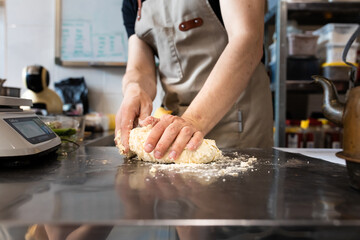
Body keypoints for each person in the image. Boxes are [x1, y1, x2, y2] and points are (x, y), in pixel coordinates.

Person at [115, 0, 273, 161]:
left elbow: (248, 39)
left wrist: (192, 120)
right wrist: (134, 89)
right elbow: (140, 67)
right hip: (175, 126)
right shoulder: (134, 3)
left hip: (237, 123)